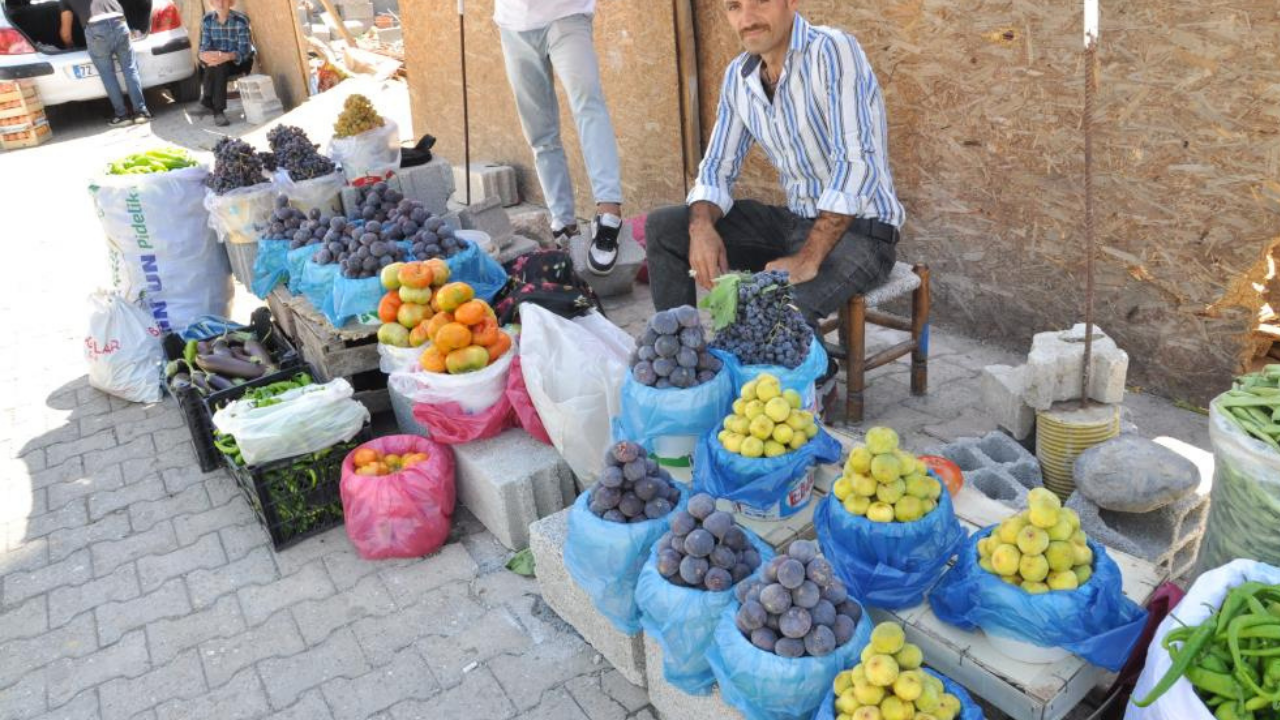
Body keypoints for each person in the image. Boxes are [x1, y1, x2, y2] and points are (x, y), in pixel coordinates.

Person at [645, 0, 905, 325]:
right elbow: (716, 169)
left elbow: (856, 164)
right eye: (734, 6)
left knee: (769, 319)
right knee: (665, 227)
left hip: (862, 234)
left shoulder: (832, 51)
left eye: (761, 2)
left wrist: (807, 258)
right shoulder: (739, 77)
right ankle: (682, 354)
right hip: (793, 223)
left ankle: (815, 372)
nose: (747, 19)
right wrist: (701, 228)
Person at [494, 0, 625, 275]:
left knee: (588, 106)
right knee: (540, 131)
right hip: (514, 23)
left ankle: (609, 212)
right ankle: (563, 223)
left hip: (566, 14)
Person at [59, 0, 151, 125]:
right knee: (130, 68)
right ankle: (141, 112)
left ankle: (122, 116)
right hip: (120, 22)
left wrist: (70, 46)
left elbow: (66, 34)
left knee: (107, 74)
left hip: (96, 28)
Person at [197, 0, 255, 127]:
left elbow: (245, 52)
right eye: (217, 0)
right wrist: (204, 56)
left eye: (225, 0)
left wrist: (226, 56)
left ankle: (210, 101)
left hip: (239, 61)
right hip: (218, 61)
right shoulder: (207, 20)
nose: (221, 3)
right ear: (212, 3)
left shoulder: (241, 20)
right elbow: (204, 47)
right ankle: (216, 108)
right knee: (215, 65)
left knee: (218, 66)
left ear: (231, 3)